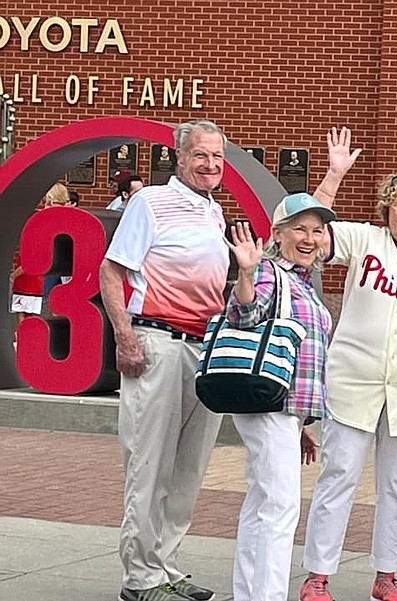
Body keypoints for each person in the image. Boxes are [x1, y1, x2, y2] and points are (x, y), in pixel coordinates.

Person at [299, 129, 397, 601]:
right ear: (386, 211)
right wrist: (333, 175)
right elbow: (310, 231)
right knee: (338, 477)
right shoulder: (364, 241)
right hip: (352, 381)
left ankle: (386, 575)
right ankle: (318, 575)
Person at [99, 119, 230, 601]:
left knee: (187, 470)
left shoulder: (215, 212)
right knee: (149, 465)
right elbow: (111, 269)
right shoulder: (150, 202)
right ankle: (140, 580)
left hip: (203, 349)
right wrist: (124, 336)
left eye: (217, 157)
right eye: (201, 155)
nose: (211, 165)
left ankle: (167, 567)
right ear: (179, 157)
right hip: (157, 343)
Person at [225, 193, 337, 601]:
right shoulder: (271, 273)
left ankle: (250, 594)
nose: (309, 238)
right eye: (299, 229)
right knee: (280, 509)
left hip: (284, 411)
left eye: (317, 230)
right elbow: (243, 316)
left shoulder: (302, 282)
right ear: (278, 234)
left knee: (261, 505)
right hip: (271, 406)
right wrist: (247, 274)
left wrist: (303, 423)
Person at [10, 182, 72, 324]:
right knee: (56, 307)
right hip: (62, 264)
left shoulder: (42, 216)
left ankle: (28, 339)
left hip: (43, 264)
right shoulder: (68, 215)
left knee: (30, 307)